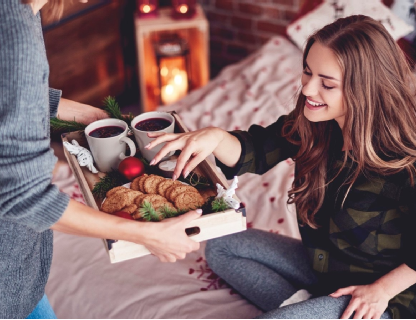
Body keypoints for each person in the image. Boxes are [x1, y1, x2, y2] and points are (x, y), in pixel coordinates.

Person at [147, 16, 416, 319]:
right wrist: (213, 136)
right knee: (222, 247)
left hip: (385, 298)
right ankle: (309, 306)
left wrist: (381, 290)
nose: (308, 90)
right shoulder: (315, 125)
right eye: (307, 72)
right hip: (327, 267)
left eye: (326, 83)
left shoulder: (405, 156)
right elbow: (257, 149)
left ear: (365, 88)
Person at [0, 1, 202, 319]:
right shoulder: (13, 31)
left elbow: (2, 87)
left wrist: (90, 115)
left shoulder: (9, 10)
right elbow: (26, 198)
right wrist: (149, 235)